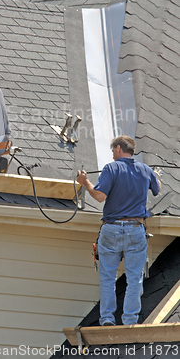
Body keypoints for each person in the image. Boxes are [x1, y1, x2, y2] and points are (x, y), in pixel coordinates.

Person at [76, 135, 161, 326]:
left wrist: (85, 181)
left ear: (118, 149)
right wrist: (155, 176)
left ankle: (107, 319)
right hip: (135, 229)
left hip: (112, 229)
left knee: (108, 278)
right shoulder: (144, 170)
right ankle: (130, 321)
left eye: (113, 150)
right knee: (134, 279)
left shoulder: (111, 168)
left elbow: (99, 196)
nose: (113, 154)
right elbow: (158, 188)